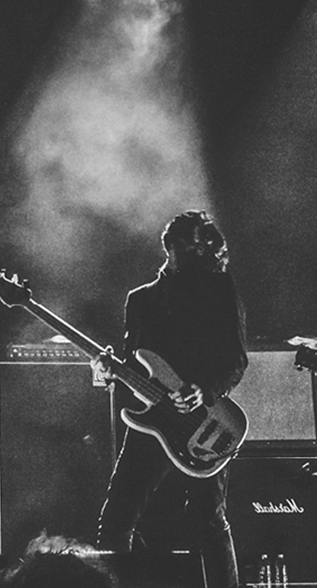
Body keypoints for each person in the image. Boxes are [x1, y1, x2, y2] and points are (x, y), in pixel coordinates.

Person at [91, 210, 246, 588]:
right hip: (154, 422)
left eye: (204, 247)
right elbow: (132, 364)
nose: (200, 254)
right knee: (116, 520)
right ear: (171, 245)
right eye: (192, 246)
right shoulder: (141, 300)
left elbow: (236, 359)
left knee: (209, 519)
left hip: (207, 421)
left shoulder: (220, 289)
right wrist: (105, 372)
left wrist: (204, 391)